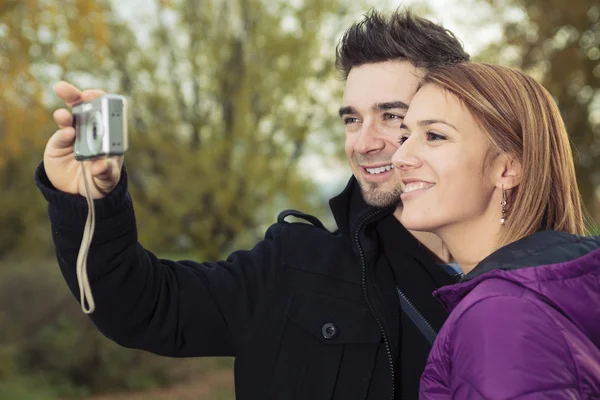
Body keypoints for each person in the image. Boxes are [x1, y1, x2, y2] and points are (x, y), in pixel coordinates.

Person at [35, 10, 470, 399]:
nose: (362, 142)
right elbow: (144, 304)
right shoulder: (293, 267)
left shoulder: (524, 275)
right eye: (352, 119)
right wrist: (91, 202)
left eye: (392, 116)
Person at [391, 62, 600, 399]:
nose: (400, 156)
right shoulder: (538, 294)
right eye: (405, 137)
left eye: (434, 135)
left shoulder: (500, 314)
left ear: (507, 169)